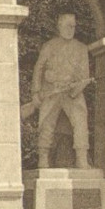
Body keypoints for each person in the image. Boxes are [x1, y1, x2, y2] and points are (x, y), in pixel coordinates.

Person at [32, 12, 91, 169]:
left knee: (80, 122)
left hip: (72, 92)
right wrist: (36, 92)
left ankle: (81, 158)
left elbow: (85, 75)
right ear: (59, 26)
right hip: (51, 91)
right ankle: (43, 157)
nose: (71, 29)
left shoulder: (81, 48)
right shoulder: (49, 46)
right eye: (67, 25)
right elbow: (39, 68)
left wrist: (75, 90)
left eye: (73, 26)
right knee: (46, 123)